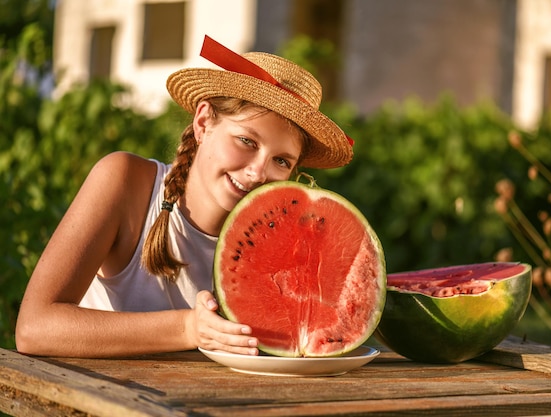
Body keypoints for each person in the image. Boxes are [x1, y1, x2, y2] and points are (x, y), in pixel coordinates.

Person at [15, 35, 353, 358]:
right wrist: (188, 329)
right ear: (204, 122)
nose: (257, 173)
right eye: (246, 142)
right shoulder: (125, 182)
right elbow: (34, 327)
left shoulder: (285, 241)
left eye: (281, 161)